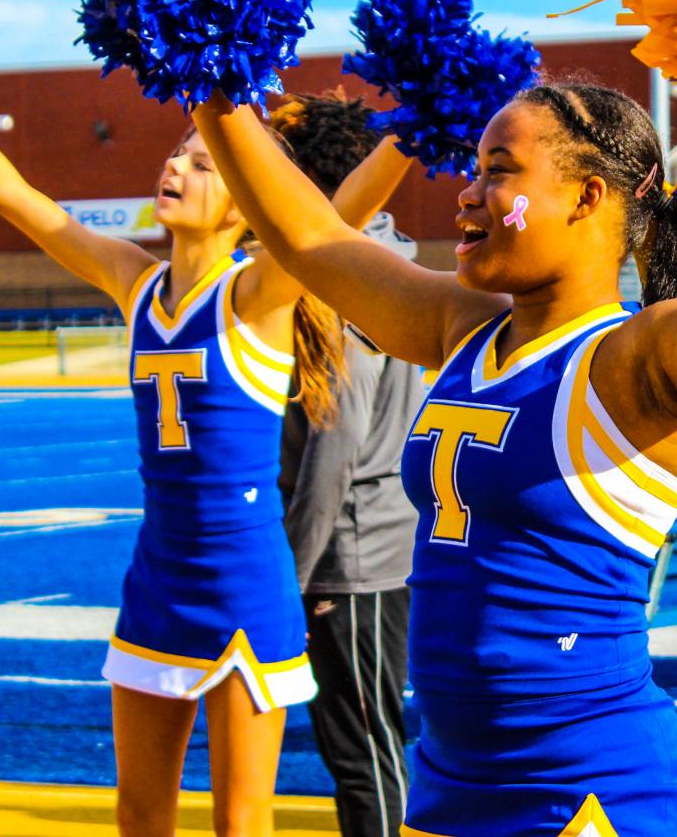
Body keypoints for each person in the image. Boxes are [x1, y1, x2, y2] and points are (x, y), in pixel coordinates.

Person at [189, 79, 677, 836]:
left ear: (585, 198)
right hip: (448, 781)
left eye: (498, 170)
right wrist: (208, 78)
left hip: (584, 794)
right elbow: (312, 240)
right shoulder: (463, 326)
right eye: (474, 169)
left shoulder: (641, 358)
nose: (468, 194)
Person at [0, 76, 413, 837]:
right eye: (178, 154)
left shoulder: (260, 294)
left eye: (204, 165)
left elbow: (335, 220)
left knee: (240, 822)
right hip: (158, 577)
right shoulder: (131, 280)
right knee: (139, 816)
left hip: (246, 583)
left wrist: (416, 128)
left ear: (248, 200)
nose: (175, 169)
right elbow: (6, 193)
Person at [272, 93, 424, 837]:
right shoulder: (393, 264)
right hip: (387, 536)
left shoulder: (342, 282)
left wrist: (289, 579)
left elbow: (334, 445)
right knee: (370, 741)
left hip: (352, 554)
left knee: (362, 747)